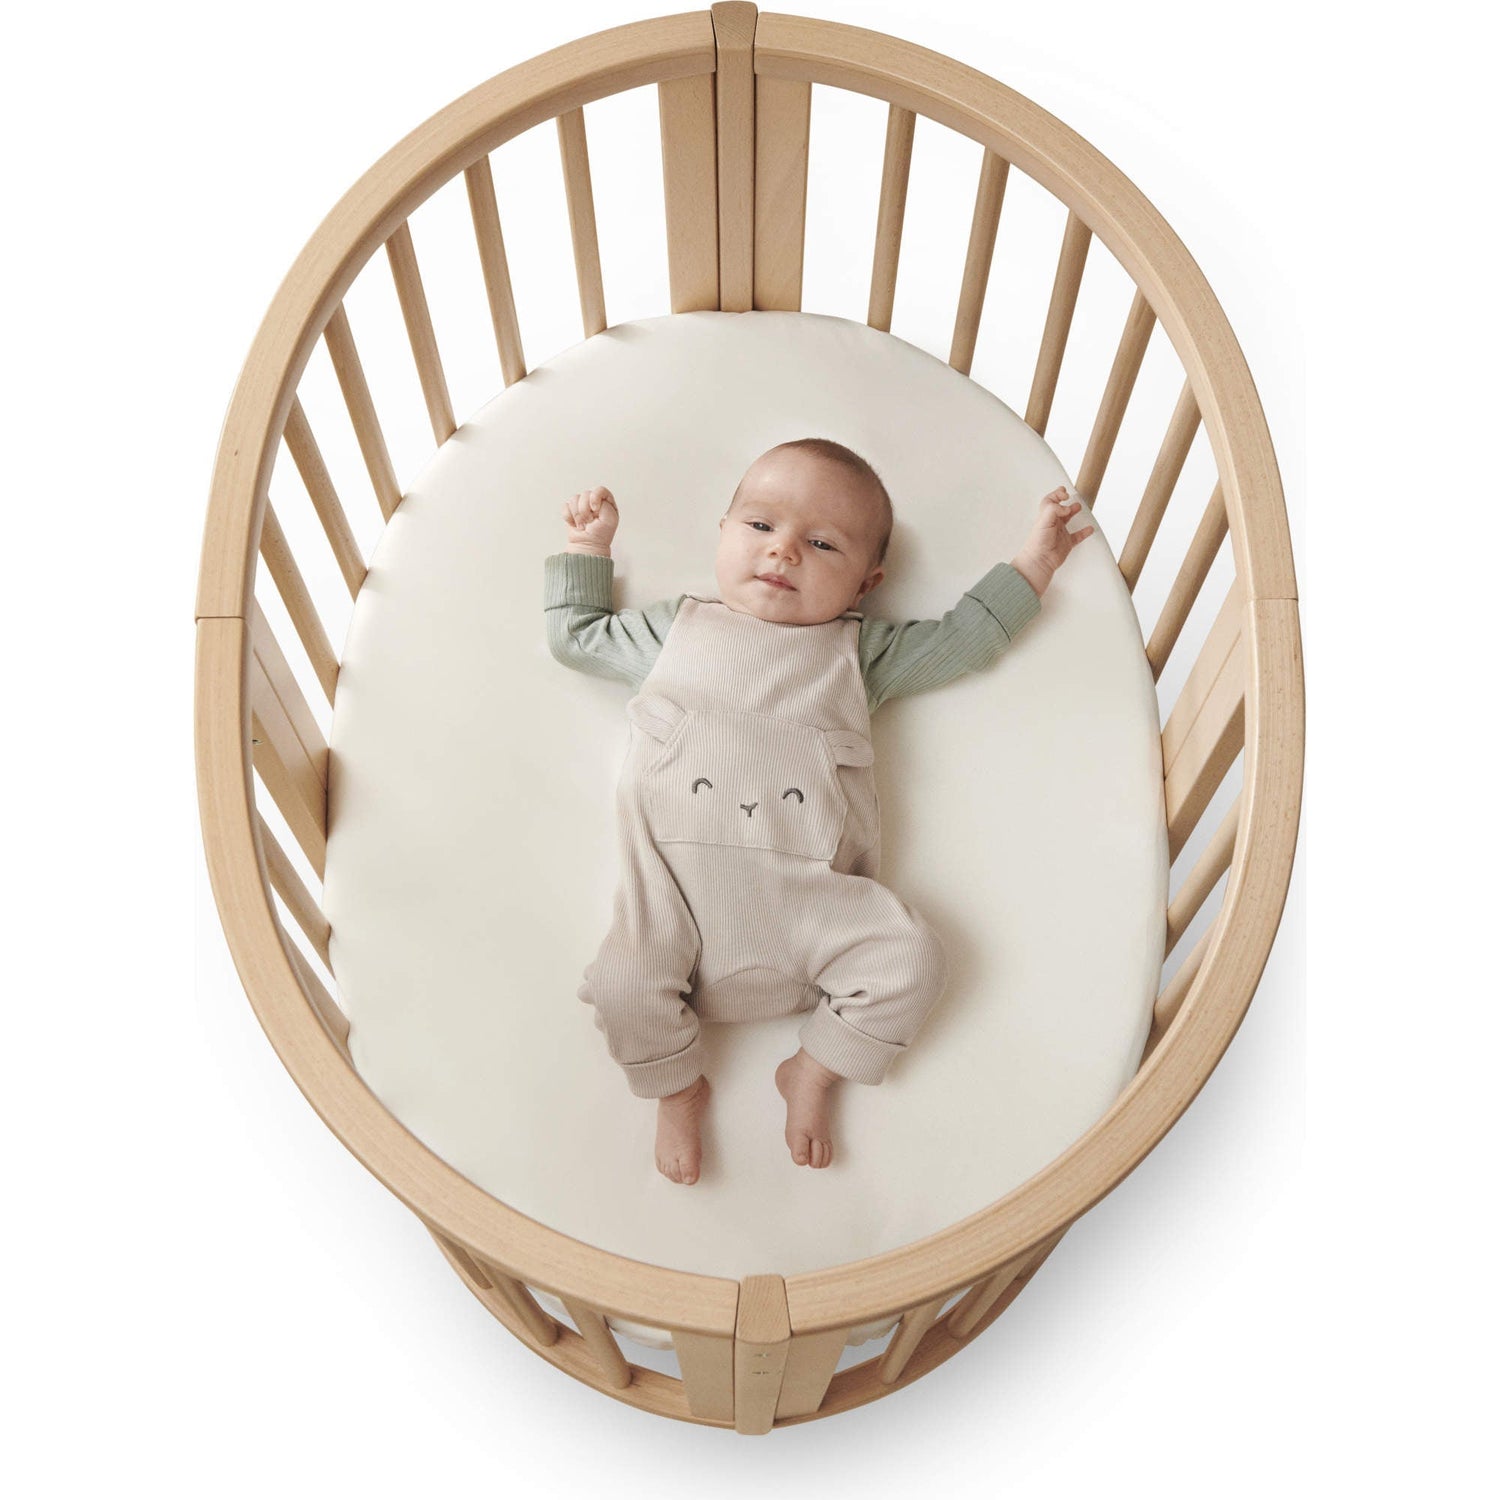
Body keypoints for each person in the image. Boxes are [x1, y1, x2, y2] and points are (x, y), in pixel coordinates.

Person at [544, 438, 1092, 1185]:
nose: (784, 551)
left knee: (914, 960)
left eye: (823, 543)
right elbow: (577, 639)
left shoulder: (856, 653)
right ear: (722, 533)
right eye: (760, 525)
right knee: (620, 986)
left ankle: (813, 1068)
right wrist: (588, 548)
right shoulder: (677, 631)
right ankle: (677, 1089)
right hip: (671, 904)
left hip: (813, 911)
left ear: (867, 584)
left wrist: (1036, 563)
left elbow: (963, 642)